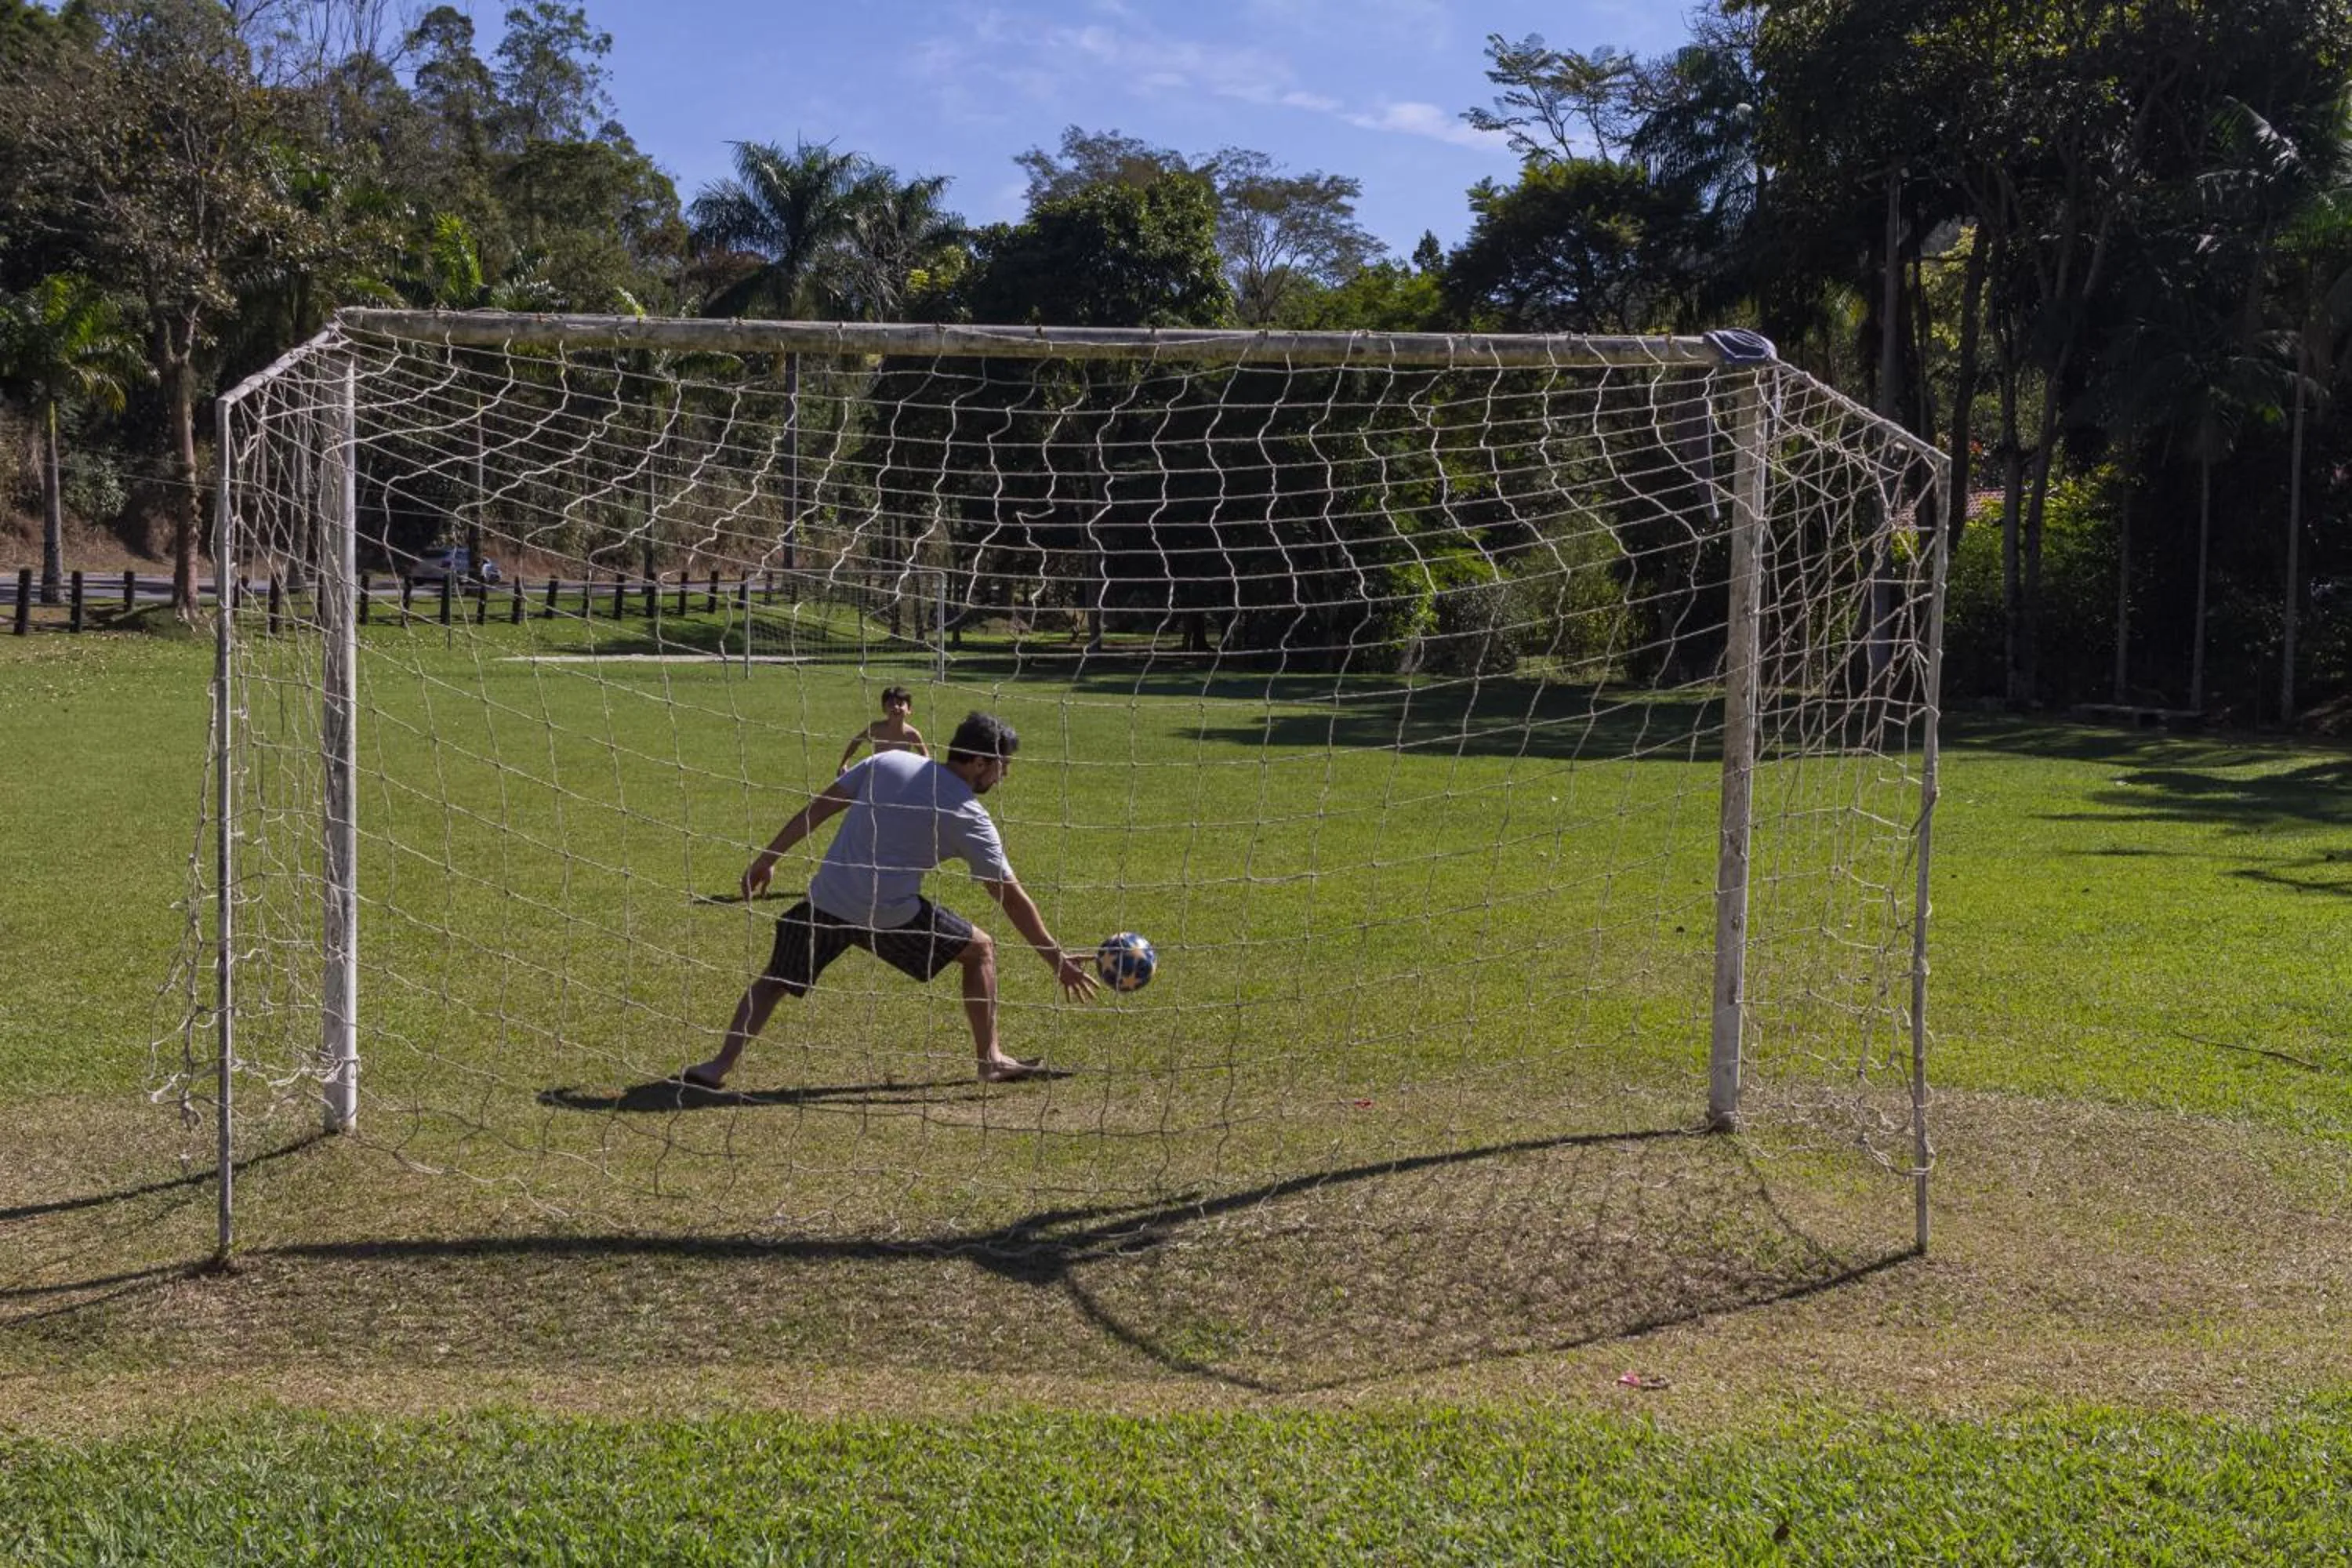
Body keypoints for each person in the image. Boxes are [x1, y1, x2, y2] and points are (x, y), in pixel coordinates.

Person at [682, 710, 1098, 1089]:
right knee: (981, 950)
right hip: (889, 917)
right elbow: (1011, 898)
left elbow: (820, 808)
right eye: (1002, 765)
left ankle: (717, 1066)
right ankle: (990, 1060)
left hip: (829, 899)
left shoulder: (888, 761)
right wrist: (1056, 960)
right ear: (978, 763)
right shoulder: (970, 816)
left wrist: (767, 859)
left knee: (773, 980)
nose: (1003, 775)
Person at [837, 686, 928, 774]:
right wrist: (844, 764)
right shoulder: (877, 728)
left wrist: (925, 773)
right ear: (884, 708)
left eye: (900, 704)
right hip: (879, 772)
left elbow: (926, 756)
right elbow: (856, 741)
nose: (896, 707)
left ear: (909, 709)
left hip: (901, 774)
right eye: (891, 704)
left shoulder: (912, 734)